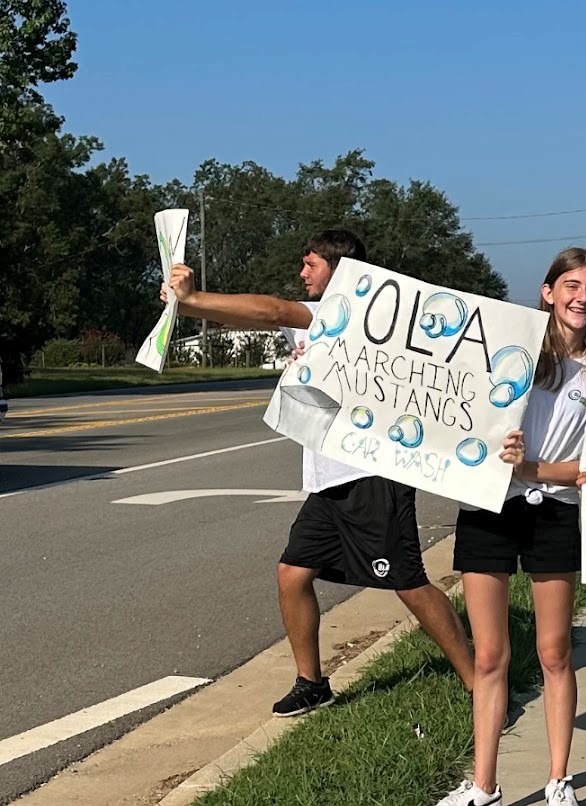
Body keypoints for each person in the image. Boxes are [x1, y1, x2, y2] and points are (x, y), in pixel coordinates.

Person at [164, 229, 474, 715]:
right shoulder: (315, 323)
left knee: (407, 582)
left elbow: (271, 310)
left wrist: (194, 299)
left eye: (310, 264)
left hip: (372, 478)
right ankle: (312, 682)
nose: (301, 273)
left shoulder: (357, 318)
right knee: (292, 573)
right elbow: (266, 315)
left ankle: (479, 682)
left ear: (341, 271)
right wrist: (188, 306)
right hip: (329, 481)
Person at [417, 247, 586, 806]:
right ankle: (483, 787)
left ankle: (560, 781)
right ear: (547, 291)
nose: (583, 297)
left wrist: (530, 469)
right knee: (489, 655)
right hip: (487, 509)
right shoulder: (506, 357)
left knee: (554, 653)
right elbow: (452, 414)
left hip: (554, 515)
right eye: (572, 285)